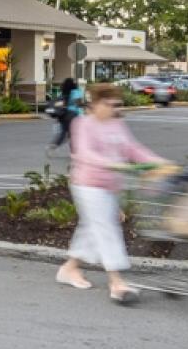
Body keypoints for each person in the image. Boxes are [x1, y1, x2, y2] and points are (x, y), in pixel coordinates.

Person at [59, 83, 169, 302]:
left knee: (93, 227)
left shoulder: (117, 124)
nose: (115, 108)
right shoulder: (83, 124)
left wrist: (158, 162)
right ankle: (116, 282)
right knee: (105, 227)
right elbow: (85, 154)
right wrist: (113, 164)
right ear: (97, 103)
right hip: (87, 184)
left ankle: (69, 268)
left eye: (117, 104)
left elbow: (132, 148)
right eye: (110, 104)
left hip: (110, 185)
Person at [49, 76, 80, 151]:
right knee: (73, 133)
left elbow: (59, 103)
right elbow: (78, 103)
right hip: (73, 115)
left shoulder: (63, 93)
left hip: (63, 115)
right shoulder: (76, 92)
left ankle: (53, 145)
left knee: (64, 132)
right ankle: (74, 151)